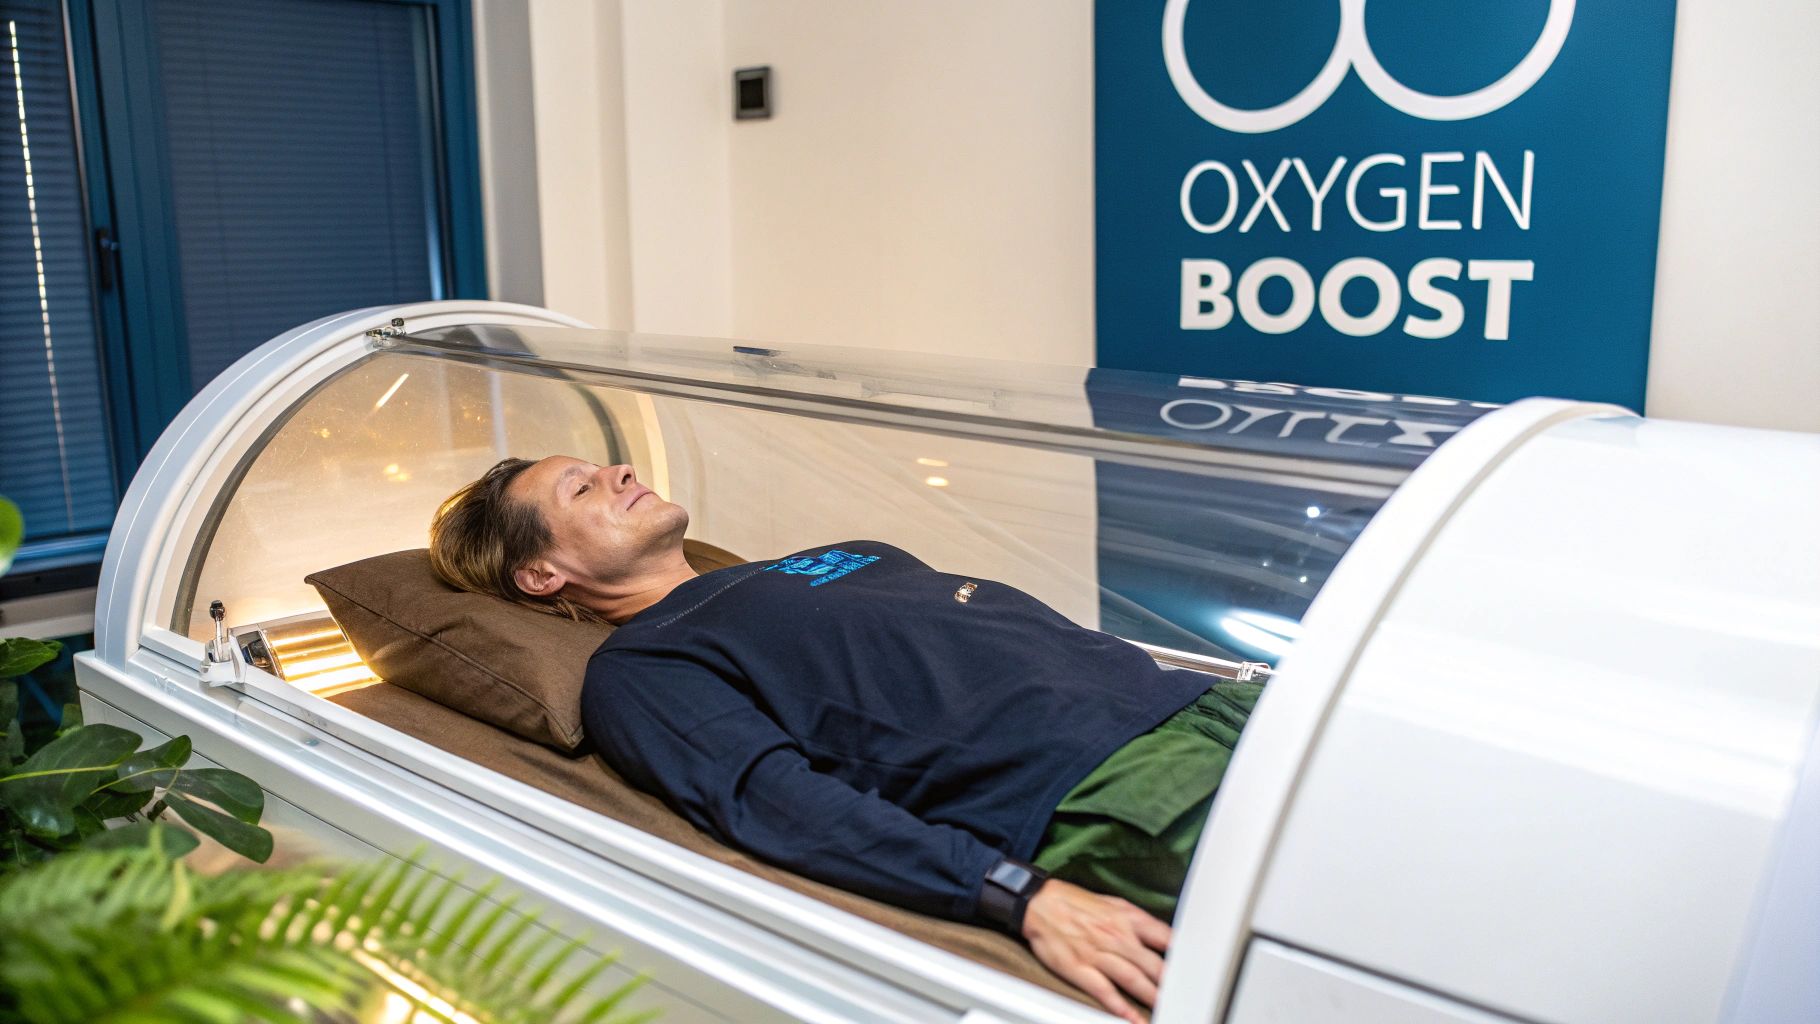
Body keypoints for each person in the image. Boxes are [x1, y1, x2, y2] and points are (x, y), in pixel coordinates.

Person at [429, 456, 1262, 1023]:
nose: (620, 471)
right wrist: (1020, 894)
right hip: (1119, 785)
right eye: (581, 490)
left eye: (605, 466)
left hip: (1222, 707)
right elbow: (778, 804)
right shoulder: (641, 667)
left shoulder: (844, 553)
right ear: (543, 575)